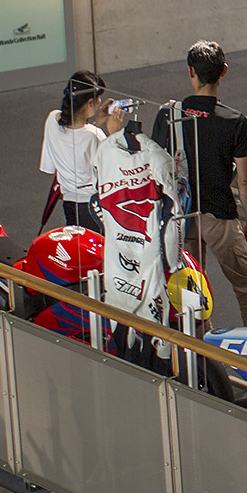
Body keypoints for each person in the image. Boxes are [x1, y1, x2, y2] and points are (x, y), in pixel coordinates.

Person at [154, 41, 247, 327]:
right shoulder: (235, 121)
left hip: (182, 218)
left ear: (190, 72)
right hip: (220, 216)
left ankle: (201, 351)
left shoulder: (169, 114)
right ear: (224, 71)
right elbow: (244, 179)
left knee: (190, 296)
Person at [90, 106, 185, 370]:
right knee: (155, 333)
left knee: (120, 324)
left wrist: (110, 227)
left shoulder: (103, 151)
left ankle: (125, 374)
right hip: (147, 259)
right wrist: (173, 261)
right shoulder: (159, 158)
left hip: (116, 259)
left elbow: (94, 200)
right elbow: (174, 215)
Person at [38, 71, 122, 233]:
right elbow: (118, 167)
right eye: (98, 98)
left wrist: (98, 122)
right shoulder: (95, 135)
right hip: (92, 207)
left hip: (69, 202)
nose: (99, 102)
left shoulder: (52, 119)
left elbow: (78, 141)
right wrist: (115, 133)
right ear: (90, 103)